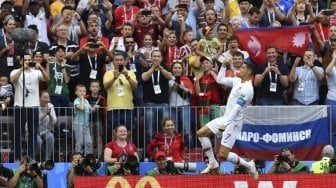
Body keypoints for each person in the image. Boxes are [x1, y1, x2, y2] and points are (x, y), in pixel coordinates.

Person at [196, 60, 258, 179]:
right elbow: (220, 80)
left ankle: (249, 165)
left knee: (223, 154)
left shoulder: (248, 88)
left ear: (249, 71)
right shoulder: (237, 81)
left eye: (243, 68)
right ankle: (213, 163)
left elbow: (237, 108)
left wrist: (226, 123)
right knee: (201, 133)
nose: (240, 69)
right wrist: (223, 66)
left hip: (233, 122)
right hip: (226, 118)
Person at [10, 52, 50, 160]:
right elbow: (12, 80)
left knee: (32, 134)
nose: (27, 62)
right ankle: (17, 157)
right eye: (25, 60)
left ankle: (30, 157)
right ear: (20, 61)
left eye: (29, 60)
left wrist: (41, 67)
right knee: (18, 133)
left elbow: (47, 79)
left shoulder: (36, 72)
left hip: (33, 107)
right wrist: (22, 69)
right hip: (20, 106)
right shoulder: (15, 71)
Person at [103, 52, 138, 142]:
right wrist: (114, 77)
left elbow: (135, 86)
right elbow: (106, 86)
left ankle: (129, 153)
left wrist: (127, 76)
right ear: (113, 61)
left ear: (124, 61)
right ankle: (115, 152)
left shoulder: (130, 73)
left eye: (121, 60)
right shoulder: (108, 73)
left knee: (128, 132)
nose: (119, 62)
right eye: (116, 60)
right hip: (113, 107)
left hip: (128, 107)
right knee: (114, 132)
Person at [86, 80, 106, 158]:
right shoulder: (86, 98)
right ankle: (91, 157)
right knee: (90, 139)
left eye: (96, 86)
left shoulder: (102, 99)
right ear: (90, 88)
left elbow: (105, 110)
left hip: (99, 120)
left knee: (99, 139)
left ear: (99, 88)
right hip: (89, 120)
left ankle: (99, 156)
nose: (95, 88)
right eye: (93, 86)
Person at [73, 84, 93, 156]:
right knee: (79, 142)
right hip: (78, 125)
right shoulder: (77, 101)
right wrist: (81, 99)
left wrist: (95, 108)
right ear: (76, 92)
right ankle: (78, 158)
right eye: (80, 91)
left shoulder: (86, 101)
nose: (82, 93)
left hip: (86, 125)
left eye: (84, 91)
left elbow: (91, 109)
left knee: (89, 142)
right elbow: (81, 108)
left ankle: (88, 158)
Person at [36, 91, 56, 161]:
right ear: (39, 98)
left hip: (45, 130)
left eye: (48, 98)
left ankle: (47, 159)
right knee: (39, 141)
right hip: (34, 130)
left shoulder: (50, 106)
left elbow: (54, 122)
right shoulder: (35, 105)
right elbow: (35, 121)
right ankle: (36, 158)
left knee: (50, 137)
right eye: (44, 98)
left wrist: (50, 115)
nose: (46, 100)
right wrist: (45, 115)